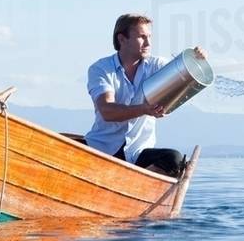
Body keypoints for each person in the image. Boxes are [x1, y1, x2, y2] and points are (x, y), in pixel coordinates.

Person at [84, 13, 203, 177]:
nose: (148, 43)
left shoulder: (156, 66)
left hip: (138, 151)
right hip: (103, 148)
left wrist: (196, 60)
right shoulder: (101, 69)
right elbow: (107, 111)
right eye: (141, 37)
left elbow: (184, 74)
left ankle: (131, 186)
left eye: (149, 37)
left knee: (174, 160)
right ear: (122, 39)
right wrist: (143, 109)